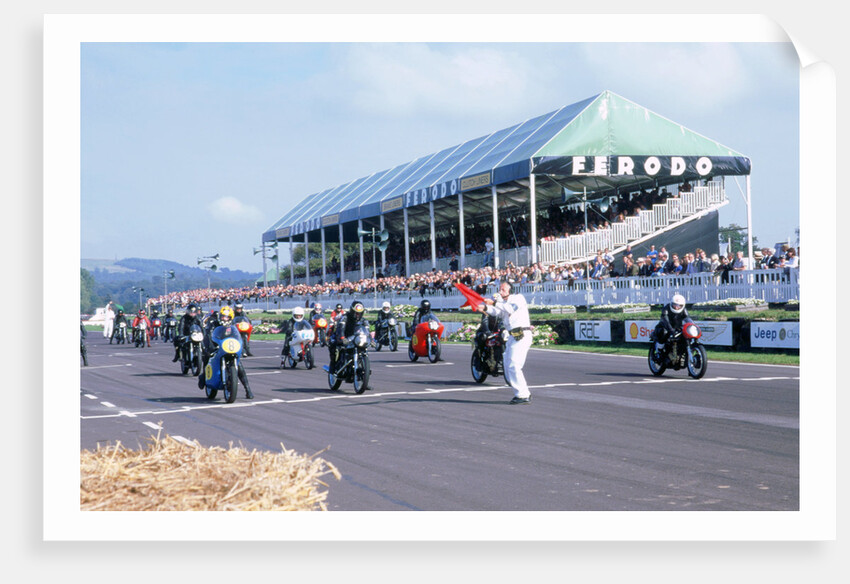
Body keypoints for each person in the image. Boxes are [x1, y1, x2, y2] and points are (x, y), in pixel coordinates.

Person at [476, 280, 532, 404]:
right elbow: (498, 312)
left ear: (510, 291)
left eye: (503, 290)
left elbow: (511, 309)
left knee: (514, 365)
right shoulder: (502, 303)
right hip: (512, 335)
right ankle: (524, 392)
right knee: (507, 364)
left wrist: (495, 302)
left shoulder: (518, 298)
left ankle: (522, 395)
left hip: (522, 334)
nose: (500, 292)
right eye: (500, 289)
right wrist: (484, 307)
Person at [197, 305, 253, 399]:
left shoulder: (233, 326)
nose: (225, 318)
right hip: (215, 346)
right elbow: (208, 335)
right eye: (223, 316)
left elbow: (238, 337)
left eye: (227, 317)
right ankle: (203, 376)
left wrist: (242, 348)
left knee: (239, 365)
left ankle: (248, 389)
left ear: (231, 318)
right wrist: (210, 347)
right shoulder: (213, 323)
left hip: (228, 348)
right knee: (206, 357)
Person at [328, 301, 367, 374]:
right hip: (344, 337)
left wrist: (371, 340)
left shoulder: (363, 320)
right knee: (333, 343)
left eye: (359, 313)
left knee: (364, 349)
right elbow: (341, 328)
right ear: (352, 311)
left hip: (355, 339)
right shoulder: (345, 317)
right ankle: (332, 366)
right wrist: (342, 338)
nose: (358, 315)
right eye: (356, 313)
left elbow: (367, 331)